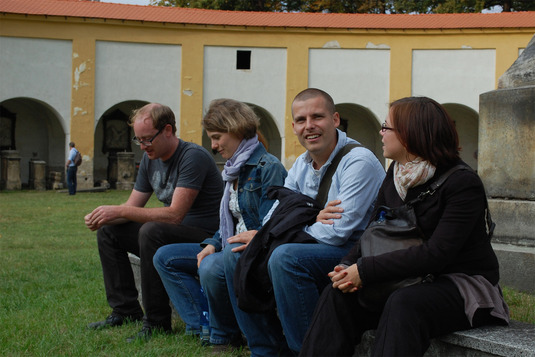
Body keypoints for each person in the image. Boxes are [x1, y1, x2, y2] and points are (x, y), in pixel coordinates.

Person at [299, 96, 509, 356]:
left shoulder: (462, 183)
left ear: (411, 134)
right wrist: (346, 266)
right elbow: (373, 231)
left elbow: (438, 254)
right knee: (337, 293)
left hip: (460, 284)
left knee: (406, 302)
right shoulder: (396, 174)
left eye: (387, 127)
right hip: (404, 278)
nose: (381, 132)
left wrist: (365, 270)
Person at [222, 88, 385, 355]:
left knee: (286, 257)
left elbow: (337, 232)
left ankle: (308, 350)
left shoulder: (358, 161)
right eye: (301, 120)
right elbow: (276, 213)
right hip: (314, 243)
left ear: (335, 120)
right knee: (233, 255)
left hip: (354, 252)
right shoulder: (301, 164)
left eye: (317, 117)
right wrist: (307, 217)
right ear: (294, 126)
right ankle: (267, 350)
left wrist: (285, 227)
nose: (309, 126)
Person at [153, 98, 287, 350]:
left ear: (236, 129)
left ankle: (223, 335)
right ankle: (201, 324)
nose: (213, 146)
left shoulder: (267, 168)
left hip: (252, 250)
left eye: (217, 137)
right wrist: (212, 243)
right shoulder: (233, 169)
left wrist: (233, 245)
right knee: (164, 257)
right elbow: (231, 219)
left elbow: (274, 223)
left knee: (213, 267)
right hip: (229, 245)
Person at [84, 103, 224, 342]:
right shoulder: (151, 159)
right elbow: (131, 208)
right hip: (173, 232)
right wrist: (104, 216)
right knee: (110, 231)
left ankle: (157, 321)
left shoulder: (193, 157)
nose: (142, 147)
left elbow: (175, 215)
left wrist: (118, 210)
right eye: (138, 140)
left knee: (151, 231)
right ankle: (125, 309)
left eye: (147, 139)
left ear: (167, 130)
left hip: (205, 236)